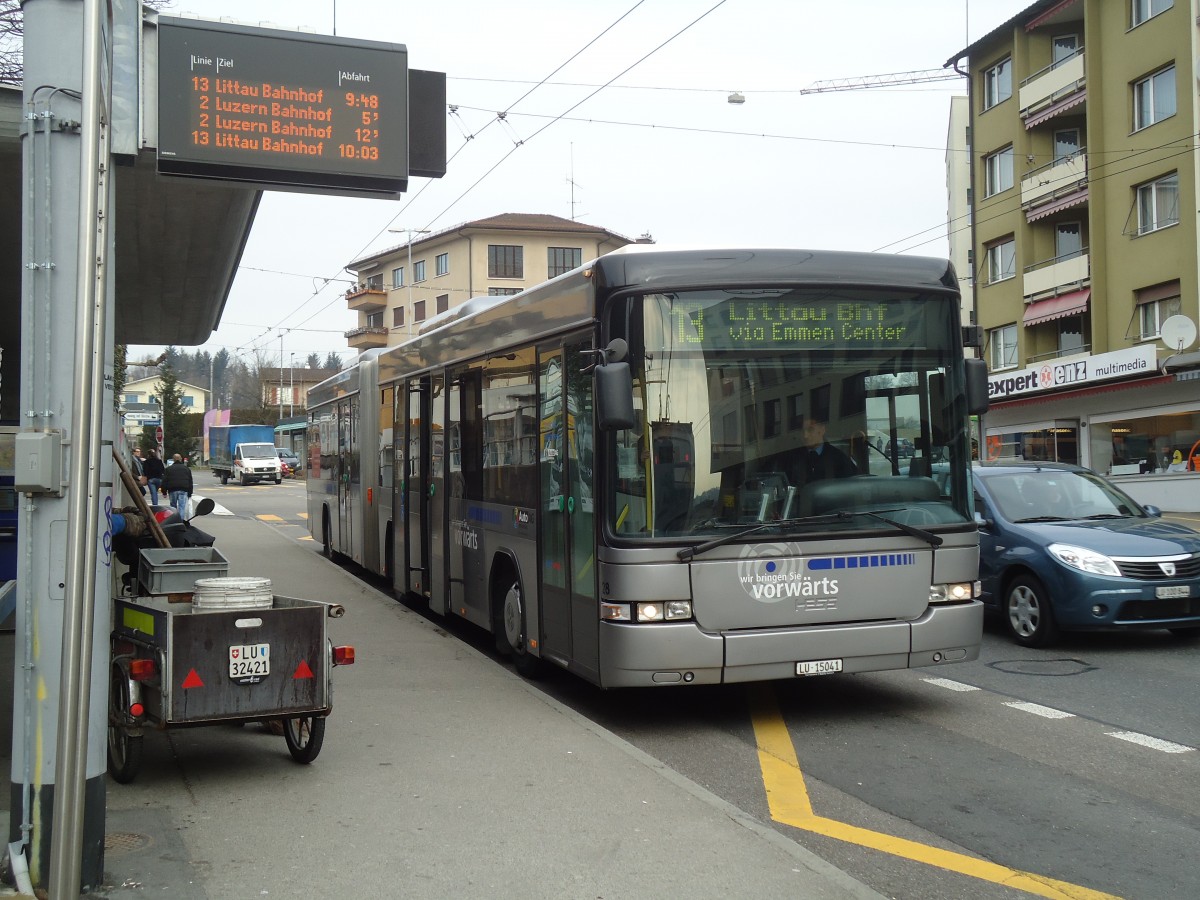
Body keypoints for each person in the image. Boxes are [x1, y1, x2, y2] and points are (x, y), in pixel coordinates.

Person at [790, 415, 857, 485]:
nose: (805, 435)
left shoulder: (838, 458)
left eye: (810, 429)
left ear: (822, 430)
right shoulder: (792, 458)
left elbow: (852, 486)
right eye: (802, 431)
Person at [161, 452, 193, 521]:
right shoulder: (186, 469)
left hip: (172, 489)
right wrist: (190, 493)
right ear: (181, 459)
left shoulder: (168, 469)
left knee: (173, 506)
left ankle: (174, 520)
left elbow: (164, 481)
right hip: (183, 489)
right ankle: (180, 521)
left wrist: (164, 492)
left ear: (173, 460)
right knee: (182, 506)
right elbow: (190, 481)